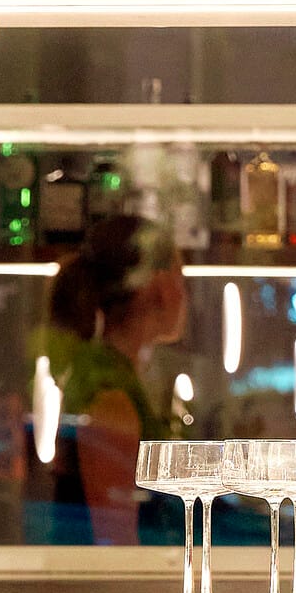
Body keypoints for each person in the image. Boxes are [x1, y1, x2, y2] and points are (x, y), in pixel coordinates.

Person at [45, 214, 187, 541]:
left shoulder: (106, 374)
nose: (184, 295)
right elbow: (116, 539)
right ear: (161, 287)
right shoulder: (110, 395)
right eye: (181, 279)